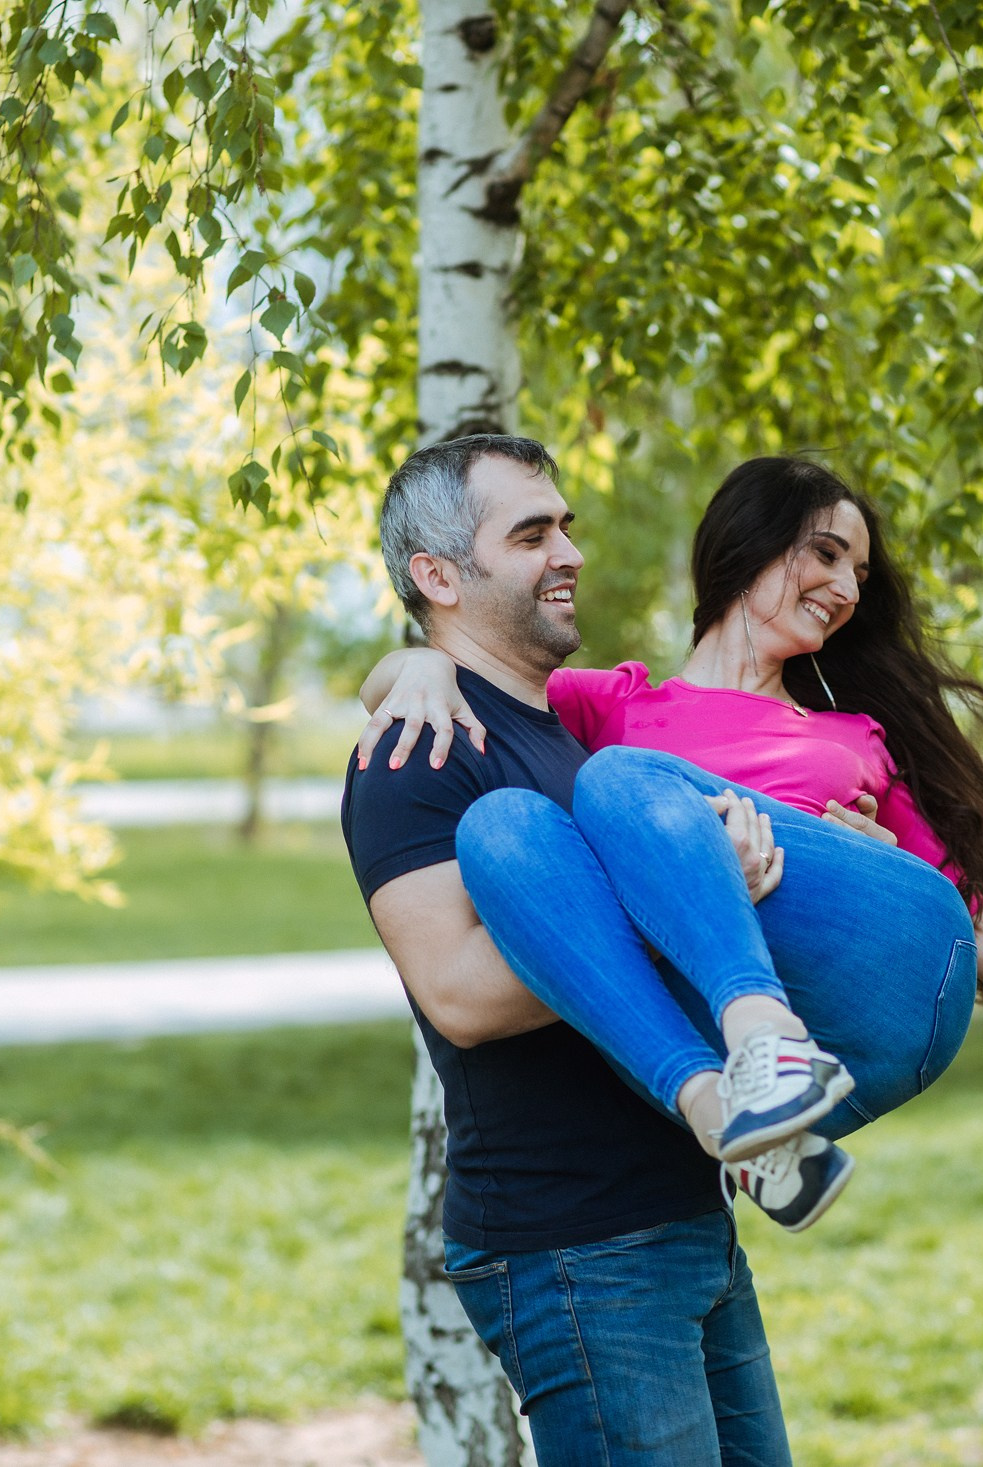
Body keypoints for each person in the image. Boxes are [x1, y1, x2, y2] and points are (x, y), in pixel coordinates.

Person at [358, 455, 983, 1232]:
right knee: (505, 828)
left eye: (859, 570)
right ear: (751, 544)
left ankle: (766, 1040)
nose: (848, 588)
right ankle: (732, 1116)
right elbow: (466, 677)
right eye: (825, 554)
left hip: (882, 989)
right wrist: (423, 664)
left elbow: (981, 932)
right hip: (701, 1040)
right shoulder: (619, 704)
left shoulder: (853, 737)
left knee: (620, 781)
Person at [341, 435, 795, 1466]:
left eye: (566, 528)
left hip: (683, 1209)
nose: (569, 552)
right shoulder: (416, 753)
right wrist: (667, 907)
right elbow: (456, 993)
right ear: (438, 575)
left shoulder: (568, 734)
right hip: (575, 1246)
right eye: (531, 532)